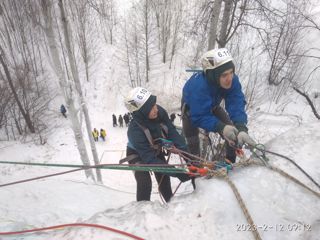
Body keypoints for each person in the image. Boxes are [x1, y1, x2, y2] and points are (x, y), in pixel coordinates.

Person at [182, 48, 256, 163]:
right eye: (224, 75)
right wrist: (221, 127)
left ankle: (230, 164)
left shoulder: (232, 80)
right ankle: (195, 174)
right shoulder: (197, 88)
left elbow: (235, 101)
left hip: (213, 105)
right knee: (192, 144)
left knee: (233, 134)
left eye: (231, 72)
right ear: (213, 76)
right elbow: (199, 116)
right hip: (192, 111)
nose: (229, 78)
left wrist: (241, 126)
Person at [124, 87, 191, 203]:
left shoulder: (159, 112)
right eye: (151, 108)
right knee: (144, 182)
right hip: (137, 154)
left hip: (155, 149)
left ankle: (171, 204)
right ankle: (143, 211)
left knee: (164, 177)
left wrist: (187, 156)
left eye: (154, 104)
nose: (156, 109)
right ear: (141, 112)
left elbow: (171, 131)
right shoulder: (134, 130)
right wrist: (176, 172)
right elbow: (149, 159)